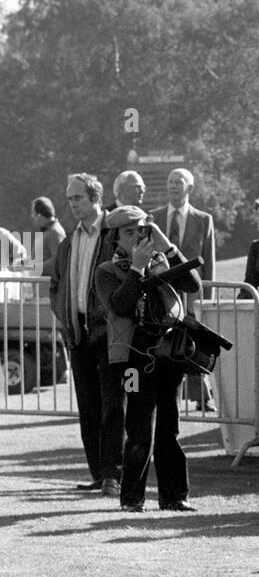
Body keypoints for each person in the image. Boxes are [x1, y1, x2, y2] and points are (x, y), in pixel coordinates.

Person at [95, 206, 202, 512]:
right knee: (139, 428)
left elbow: (192, 284)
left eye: (142, 230)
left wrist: (167, 246)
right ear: (115, 238)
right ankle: (131, 499)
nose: (138, 237)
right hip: (134, 358)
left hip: (167, 354)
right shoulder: (107, 271)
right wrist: (137, 270)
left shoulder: (161, 260)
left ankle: (174, 496)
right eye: (129, 232)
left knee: (169, 427)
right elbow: (120, 306)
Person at [49, 174, 124, 495]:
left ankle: (112, 474)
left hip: (109, 333)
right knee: (89, 408)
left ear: (95, 197)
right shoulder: (69, 242)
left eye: (77, 198)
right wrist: (66, 320)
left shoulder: (115, 234)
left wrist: (110, 319)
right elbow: (56, 286)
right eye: (69, 198)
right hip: (78, 334)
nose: (72, 204)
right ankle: (98, 472)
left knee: (112, 406)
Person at [150, 168, 218, 409]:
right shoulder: (154, 217)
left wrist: (206, 301)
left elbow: (208, 262)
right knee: (165, 345)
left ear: (189, 188)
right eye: (169, 181)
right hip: (164, 295)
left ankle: (203, 397)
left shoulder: (203, 219)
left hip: (191, 294)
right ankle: (167, 398)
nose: (172, 186)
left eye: (178, 182)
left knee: (192, 343)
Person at [31, 198, 67, 279]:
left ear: (39, 215)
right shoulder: (47, 231)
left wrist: (34, 267)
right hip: (41, 284)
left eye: (33, 214)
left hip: (49, 286)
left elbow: (58, 261)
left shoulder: (55, 232)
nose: (32, 217)